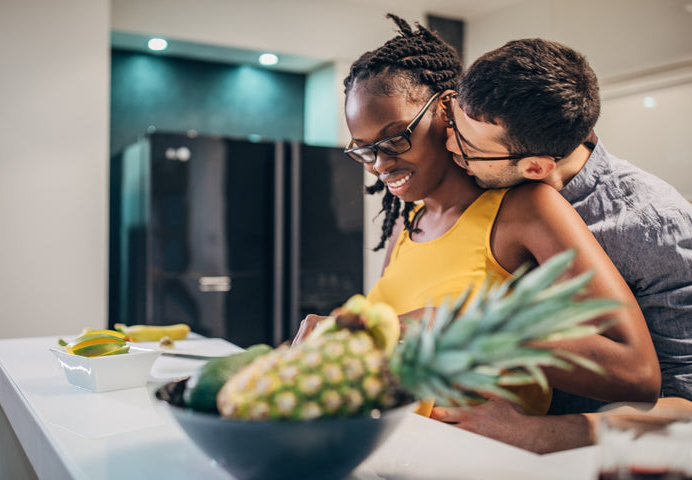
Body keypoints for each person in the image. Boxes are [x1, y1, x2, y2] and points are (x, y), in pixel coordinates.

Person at [295, 14, 660, 417]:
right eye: (363, 150)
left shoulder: (528, 210)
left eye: (396, 138)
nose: (378, 165)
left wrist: (460, 327)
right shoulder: (406, 222)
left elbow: (638, 373)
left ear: (447, 107)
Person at [433, 37, 692, 452]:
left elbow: (686, 402)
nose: (450, 148)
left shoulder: (655, 225)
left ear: (535, 167)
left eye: (468, 148)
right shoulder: (484, 181)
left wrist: (543, 433)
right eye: (453, 128)